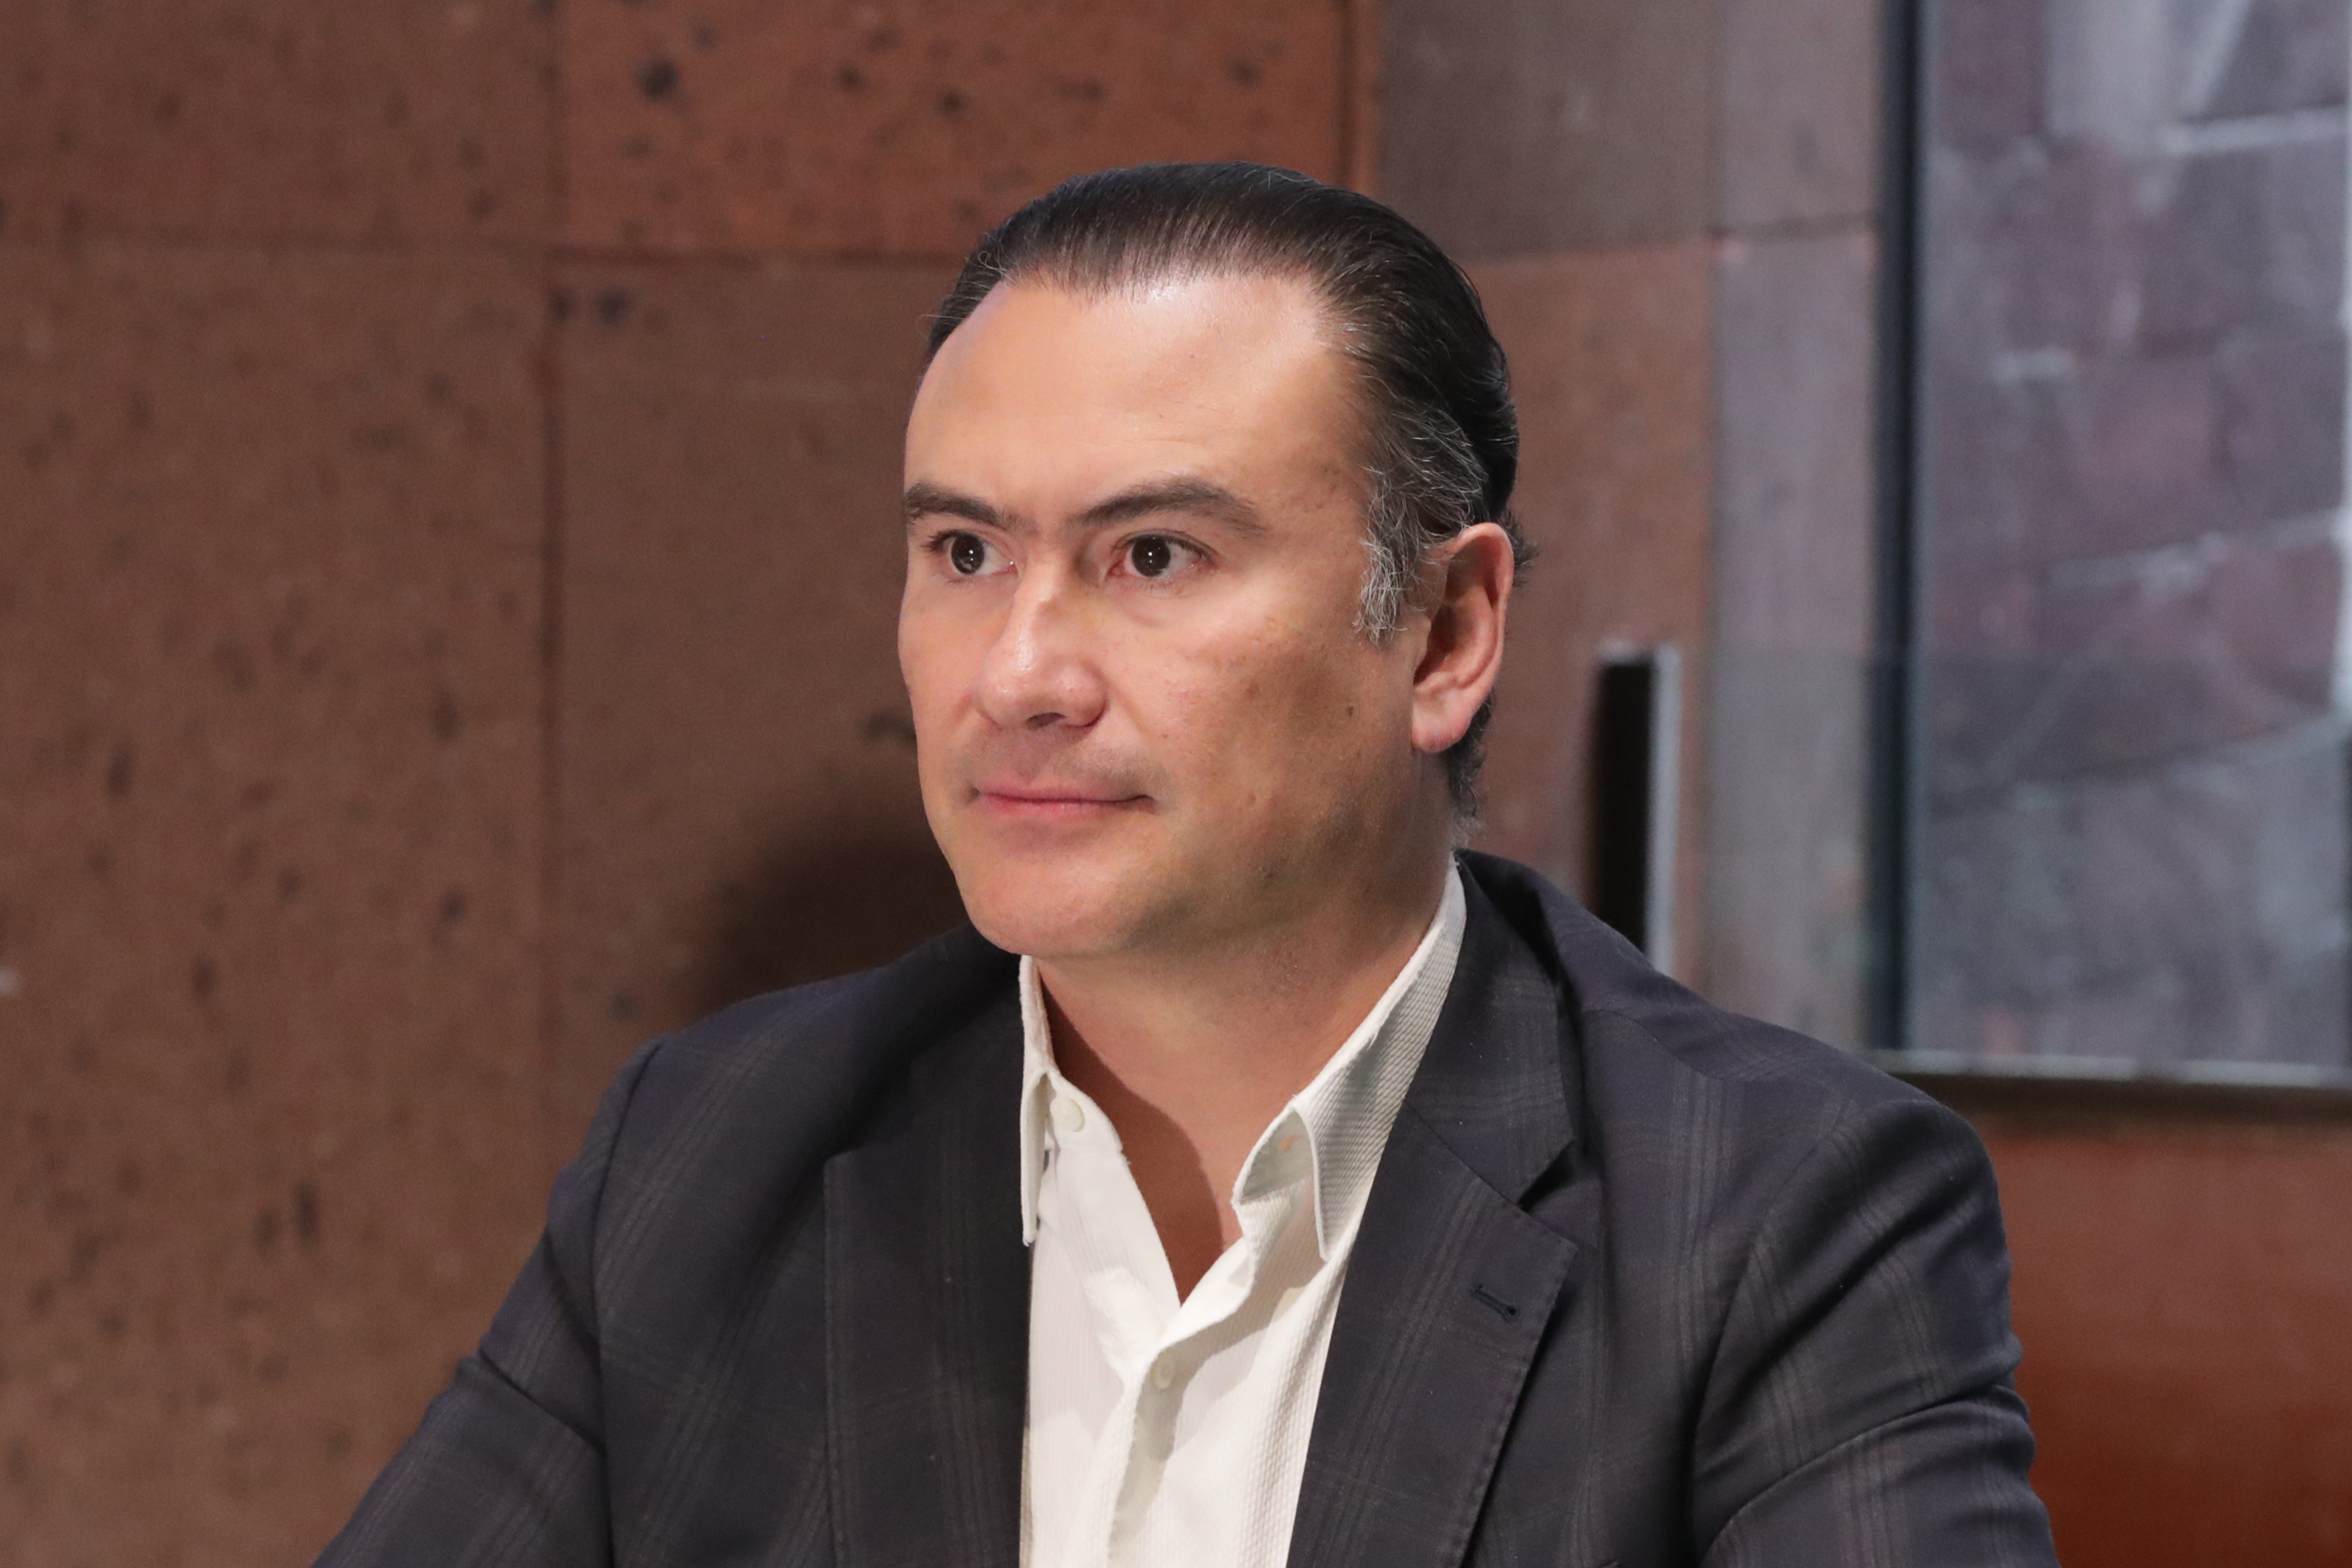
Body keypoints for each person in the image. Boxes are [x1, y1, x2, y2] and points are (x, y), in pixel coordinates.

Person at [316, 162, 2057, 1568]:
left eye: (1151, 556)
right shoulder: (715, 1154)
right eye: (964, 552)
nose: (1019, 676)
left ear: (1445, 632)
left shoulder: (1772, 1223)